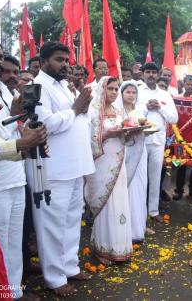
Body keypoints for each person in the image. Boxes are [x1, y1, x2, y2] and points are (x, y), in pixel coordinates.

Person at [32, 41, 95, 297]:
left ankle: (69, 266)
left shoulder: (62, 86)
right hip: (54, 168)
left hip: (75, 166)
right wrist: (75, 109)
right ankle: (55, 277)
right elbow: (43, 123)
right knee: (52, 225)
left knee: (71, 221)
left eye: (66, 61)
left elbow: (80, 118)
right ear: (44, 60)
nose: (65, 65)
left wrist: (81, 107)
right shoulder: (36, 86)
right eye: (59, 60)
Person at [0, 39, 48, 301]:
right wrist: (20, 143)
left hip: (15, 175)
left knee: (14, 242)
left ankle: (12, 292)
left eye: (0, 55)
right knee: (0, 246)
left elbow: (10, 129)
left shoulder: (3, 91)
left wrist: (26, 137)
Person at [85, 76, 133, 265]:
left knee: (119, 202)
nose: (113, 92)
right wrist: (107, 135)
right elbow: (88, 141)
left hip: (119, 164)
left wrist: (129, 133)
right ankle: (103, 248)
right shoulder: (93, 113)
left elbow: (124, 138)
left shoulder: (119, 110)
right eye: (110, 88)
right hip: (101, 164)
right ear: (101, 90)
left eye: (116, 89)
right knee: (105, 204)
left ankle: (120, 247)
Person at [139, 62, 178, 222]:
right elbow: (131, 114)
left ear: (158, 74)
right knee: (140, 178)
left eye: (153, 72)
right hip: (139, 140)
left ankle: (153, 211)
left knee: (155, 178)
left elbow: (174, 118)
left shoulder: (165, 94)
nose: (150, 75)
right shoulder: (138, 92)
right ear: (143, 74)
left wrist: (160, 108)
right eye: (147, 72)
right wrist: (146, 108)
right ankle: (138, 211)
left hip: (157, 142)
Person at [114, 81, 149, 242]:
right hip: (125, 151)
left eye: (133, 92)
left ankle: (137, 228)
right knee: (125, 188)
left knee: (139, 187)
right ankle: (123, 227)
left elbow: (146, 128)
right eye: (128, 92)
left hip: (140, 152)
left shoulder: (140, 110)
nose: (131, 95)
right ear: (121, 94)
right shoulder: (117, 111)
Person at [175, 75, 192, 200]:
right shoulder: (177, 99)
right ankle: (178, 191)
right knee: (181, 165)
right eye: (188, 84)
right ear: (184, 84)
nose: (190, 86)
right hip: (181, 136)